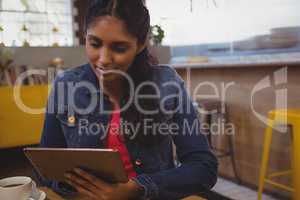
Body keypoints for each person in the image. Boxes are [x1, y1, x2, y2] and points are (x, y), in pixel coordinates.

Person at [39, 0, 218, 199]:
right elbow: (46, 170)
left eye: (119, 48)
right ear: (85, 37)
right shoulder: (66, 85)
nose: (104, 58)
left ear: (140, 45)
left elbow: (203, 167)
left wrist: (137, 189)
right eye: (95, 43)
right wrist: (79, 190)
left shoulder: (167, 84)